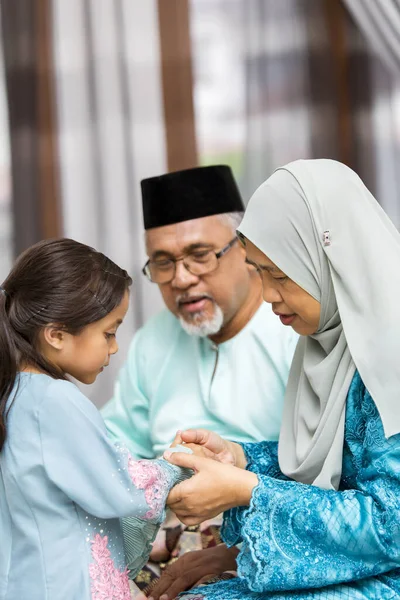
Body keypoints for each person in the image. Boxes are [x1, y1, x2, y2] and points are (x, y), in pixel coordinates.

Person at [159, 159, 400, 599]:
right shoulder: (329, 343)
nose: (268, 296)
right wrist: (241, 459)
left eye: (281, 276)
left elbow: (392, 525)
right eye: (261, 272)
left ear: (329, 261)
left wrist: (247, 490)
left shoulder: (391, 353)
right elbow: (339, 470)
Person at [101, 165, 297, 594]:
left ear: (245, 249)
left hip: (266, 539)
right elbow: (112, 448)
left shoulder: (294, 329)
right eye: (163, 262)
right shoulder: (153, 340)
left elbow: (329, 483)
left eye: (200, 255)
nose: (181, 278)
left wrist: (232, 550)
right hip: (155, 535)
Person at [0, 238, 191, 600]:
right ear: (56, 334)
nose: (115, 347)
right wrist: (179, 465)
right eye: (109, 332)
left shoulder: (13, 395)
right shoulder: (55, 400)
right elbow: (123, 487)